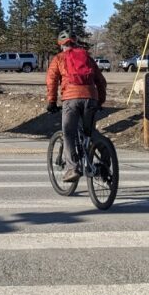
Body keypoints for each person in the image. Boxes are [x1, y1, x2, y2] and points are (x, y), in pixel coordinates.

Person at [45, 31, 107, 182]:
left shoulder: (59, 58)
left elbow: (51, 81)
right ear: (75, 42)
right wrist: (100, 101)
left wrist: (51, 102)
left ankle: (73, 168)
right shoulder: (87, 58)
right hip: (90, 97)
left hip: (71, 99)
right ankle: (105, 155)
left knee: (69, 133)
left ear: (61, 45)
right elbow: (101, 81)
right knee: (90, 132)